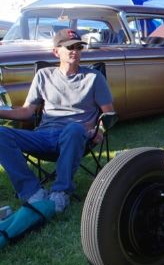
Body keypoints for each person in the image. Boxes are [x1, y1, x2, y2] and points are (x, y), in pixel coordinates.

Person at [0, 29, 114, 213]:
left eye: (78, 47)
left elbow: (109, 114)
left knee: (74, 129)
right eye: (69, 47)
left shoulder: (94, 78)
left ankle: (60, 193)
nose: (74, 51)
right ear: (56, 52)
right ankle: (32, 192)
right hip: (43, 136)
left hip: (76, 136)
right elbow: (27, 112)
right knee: (1, 135)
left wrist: (99, 130)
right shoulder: (43, 76)